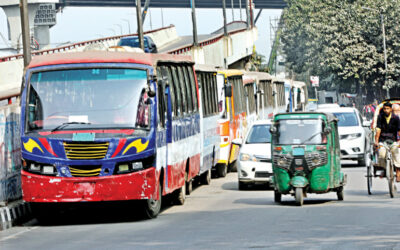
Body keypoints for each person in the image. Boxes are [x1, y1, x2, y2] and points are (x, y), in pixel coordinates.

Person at [374, 102, 400, 181]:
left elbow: (399, 131)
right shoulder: (380, 117)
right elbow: (378, 130)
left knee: (396, 154)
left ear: (390, 109)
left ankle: (398, 174)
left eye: (387, 108)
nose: (386, 110)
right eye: (384, 109)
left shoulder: (396, 118)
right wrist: (376, 141)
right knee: (381, 155)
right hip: (383, 140)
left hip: (393, 140)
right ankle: (385, 169)